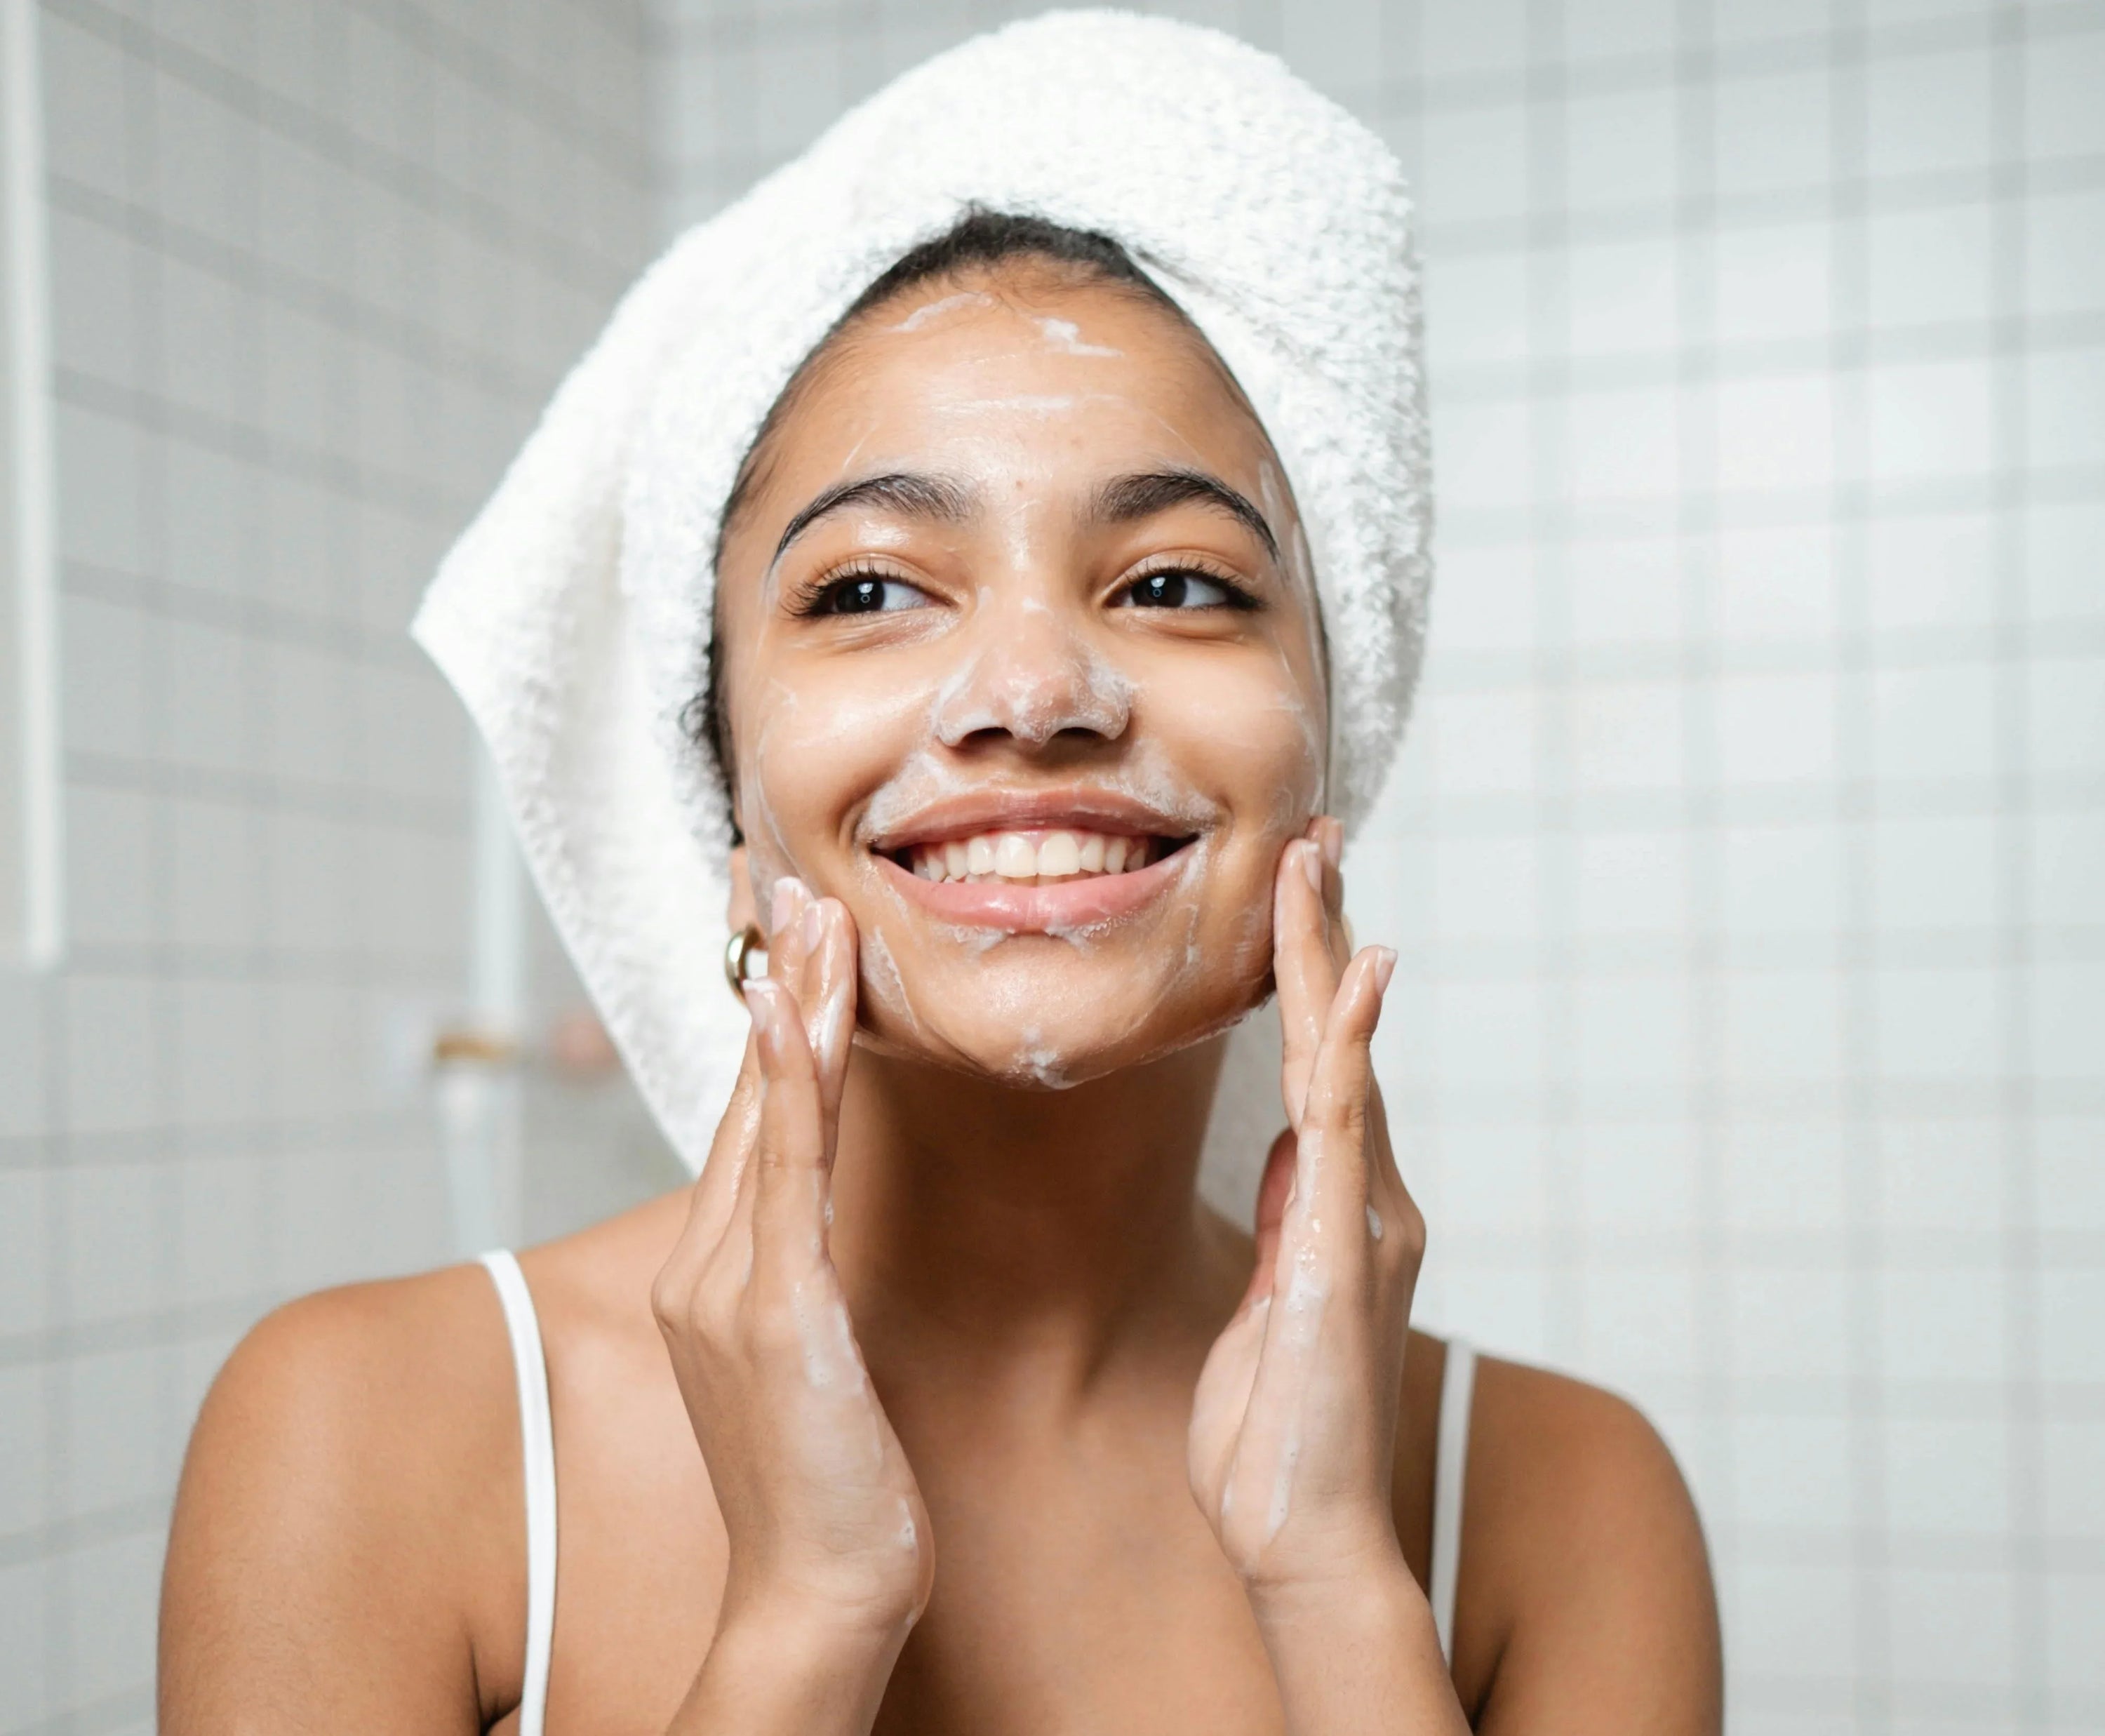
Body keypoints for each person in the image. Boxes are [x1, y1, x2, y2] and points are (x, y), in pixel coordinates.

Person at [159, 17, 1720, 1735]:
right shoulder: (368, 1438)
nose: (1038, 691)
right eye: (872, 589)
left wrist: (1334, 1578)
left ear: (1326, 756)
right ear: (724, 787)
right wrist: (805, 1618)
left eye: (1179, 583)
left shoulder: (1563, 1508)